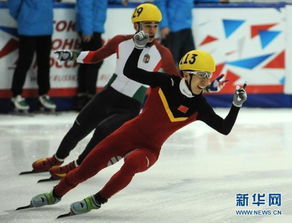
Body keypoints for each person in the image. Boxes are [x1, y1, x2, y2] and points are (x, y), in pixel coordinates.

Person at [24, 31, 247, 217]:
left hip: (149, 149)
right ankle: (55, 195)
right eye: (202, 76)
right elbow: (131, 72)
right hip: (126, 134)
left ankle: (98, 200)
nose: (206, 81)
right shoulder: (165, 82)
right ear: (187, 74)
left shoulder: (200, 105)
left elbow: (224, 128)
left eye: (208, 76)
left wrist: (236, 105)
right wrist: (139, 47)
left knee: (132, 162)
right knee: (87, 168)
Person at [28, 3, 227, 180]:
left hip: (130, 105)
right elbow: (96, 56)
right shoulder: (120, 41)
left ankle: (75, 166)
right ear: (136, 26)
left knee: (103, 132)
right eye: (147, 25)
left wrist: (207, 85)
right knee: (79, 126)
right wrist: (73, 55)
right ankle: (56, 158)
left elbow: (180, 82)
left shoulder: (162, 53)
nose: (152, 30)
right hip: (108, 95)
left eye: (155, 25)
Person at [7, 0, 56, 112]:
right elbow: (13, 4)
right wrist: (23, 17)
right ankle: (16, 94)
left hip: (46, 28)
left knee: (44, 64)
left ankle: (43, 94)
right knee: (24, 63)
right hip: (28, 29)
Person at [155, 0, 228, 65]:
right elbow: (160, 3)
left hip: (187, 27)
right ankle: (170, 80)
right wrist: (164, 25)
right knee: (171, 62)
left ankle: (185, 80)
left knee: (190, 61)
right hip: (173, 29)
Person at [74, 0, 107, 111]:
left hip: (93, 28)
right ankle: (89, 97)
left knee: (87, 61)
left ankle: (83, 95)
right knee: (93, 62)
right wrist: (87, 30)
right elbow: (85, 7)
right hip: (91, 29)